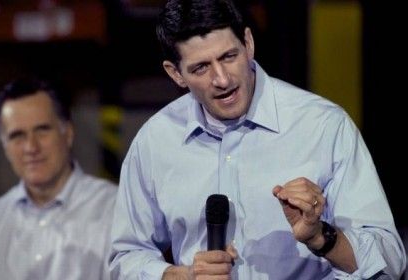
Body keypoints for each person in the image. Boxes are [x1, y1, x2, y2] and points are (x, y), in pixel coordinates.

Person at [109, 0, 407, 279]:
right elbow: (125, 257)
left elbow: (390, 259)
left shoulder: (323, 126)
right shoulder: (155, 140)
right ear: (176, 74)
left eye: (229, 56)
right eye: (201, 67)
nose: (222, 79)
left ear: (248, 43)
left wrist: (321, 237)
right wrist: (179, 275)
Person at [0, 78, 117, 280]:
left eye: (42, 130)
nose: (31, 147)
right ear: (5, 146)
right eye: (17, 135)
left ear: (68, 133)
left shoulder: (115, 210)